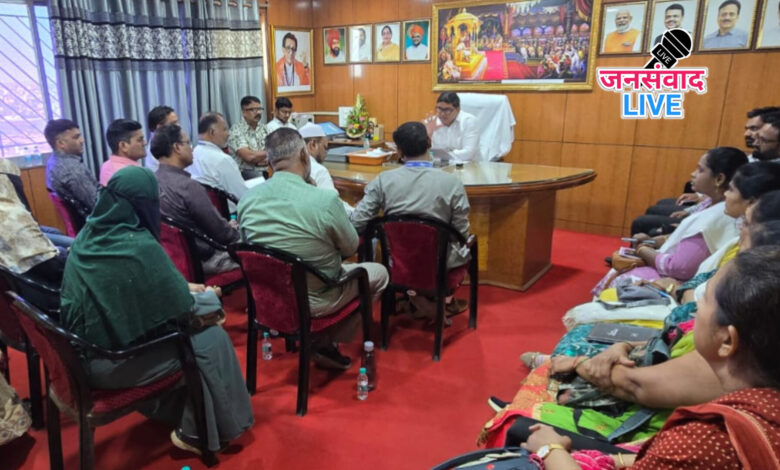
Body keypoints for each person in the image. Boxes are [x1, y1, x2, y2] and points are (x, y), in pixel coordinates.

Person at [520, 246, 780, 468]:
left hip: (637, 418)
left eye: (706, 300)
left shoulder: (706, 438)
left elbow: (637, 385)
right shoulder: (761, 402)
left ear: (727, 341)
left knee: (519, 429)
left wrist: (550, 449)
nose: (695, 308)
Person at [59, 166, 253, 454]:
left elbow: (131, 292)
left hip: (81, 355)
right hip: (110, 363)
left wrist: (183, 288)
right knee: (210, 338)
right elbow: (185, 309)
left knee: (194, 328)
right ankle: (198, 432)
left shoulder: (91, 236)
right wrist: (212, 297)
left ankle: (190, 415)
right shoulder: (136, 246)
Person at [238, 128, 388, 370]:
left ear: (269, 160)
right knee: (379, 273)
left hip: (269, 296)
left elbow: (249, 250)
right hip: (318, 299)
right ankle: (325, 339)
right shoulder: (324, 200)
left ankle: (320, 340)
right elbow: (351, 247)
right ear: (304, 154)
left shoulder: (247, 199)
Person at [350, 121, 471, 315]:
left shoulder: (383, 181)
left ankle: (417, 299)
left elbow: (357, 222)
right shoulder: (452, 183)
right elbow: (461, 234)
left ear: (398, 150)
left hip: (397, 261)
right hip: (440, 264)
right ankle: (440, 301)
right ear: (429, 143)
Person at [594, 147, 747, 294]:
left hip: (678, 284)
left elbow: (679, 268)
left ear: (719, 179)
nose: (693, 174)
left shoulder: (719, 217)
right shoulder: (711, 203)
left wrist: (642, 250)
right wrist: (655, 241)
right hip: (675, 274)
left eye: (700, 170)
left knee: (622, 279)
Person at [152, 124, 240, 276]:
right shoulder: (188, 187)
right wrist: (236, 232)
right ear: (177, 147)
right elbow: (222, 235)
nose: (192, 149)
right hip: (207, 260)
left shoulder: (152, 180)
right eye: (188, 143)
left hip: (172, 259)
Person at [191, 112, 261, 205]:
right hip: (230, 211)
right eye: (225, 129)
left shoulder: (192, 155)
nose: (228, 134)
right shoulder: (222, 160)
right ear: (212, 132)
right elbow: (242, 196)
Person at [44, 119, 99, 214]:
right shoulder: (72, 170)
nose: (82, 140)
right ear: (61, 143)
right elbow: (98, 205)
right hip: (97, 220)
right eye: (76, 137)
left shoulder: (52, 162)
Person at [297, 122, 354, 214]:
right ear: (313, 145)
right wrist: (354, 211)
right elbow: (334, 206)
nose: (325, 154)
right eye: (325, 148)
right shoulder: (319, 171)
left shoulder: (292, 166)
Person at [423, 92, 480, 162]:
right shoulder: (432, 122)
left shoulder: (469, 121)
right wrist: (428, 135)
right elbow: (425, 153)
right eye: (439, 109)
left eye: (447, 110)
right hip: (441, 165)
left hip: (469, 166)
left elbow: (468, 153)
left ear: (458, 109)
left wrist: (443, 155)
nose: (442, 114)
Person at [227, 96, 269, 180]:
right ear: (244, 112)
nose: (258, 112)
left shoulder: (265, 128)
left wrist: (260, 156)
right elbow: (249, 157)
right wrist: (269, 152)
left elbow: (276, 153)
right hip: (244, 175)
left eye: (260, 109)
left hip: (266, 172)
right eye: (254, 110)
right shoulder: (236, 130)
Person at [100, 119, 146, 185]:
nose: (144, 143)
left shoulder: (106, 166)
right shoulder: (131, 174)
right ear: (123, 146)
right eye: (140, 140)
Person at [144, 105, 179, 172]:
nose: (178, 126)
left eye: (177, 122)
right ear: (159, 127)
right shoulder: (157, 149)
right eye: (173, 123)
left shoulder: (171, 140)